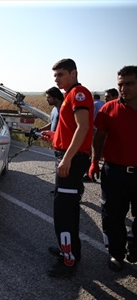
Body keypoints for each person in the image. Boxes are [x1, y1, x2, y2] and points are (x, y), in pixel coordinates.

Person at [45, 58, 94, 278]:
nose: (56, 79)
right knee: (68, 208)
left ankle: (68, 260)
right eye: (55, 75)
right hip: (67, 155)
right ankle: (70, 249)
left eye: (61, 74)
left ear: (73, 73)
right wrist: (54, 136)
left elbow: (83, 128)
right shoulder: (69, 95)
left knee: (63, 212)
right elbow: (71, 130)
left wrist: (66, 159)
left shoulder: (79, 93)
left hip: (71, 160)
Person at [90, 65, 137, 271]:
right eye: (120, 84)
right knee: (113, 216)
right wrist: (94, 162)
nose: (123, 88)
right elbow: (99, 137)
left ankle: (134, 247)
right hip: (114, 173)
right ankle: (117, 254)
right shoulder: (108, 109)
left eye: (129, 84)